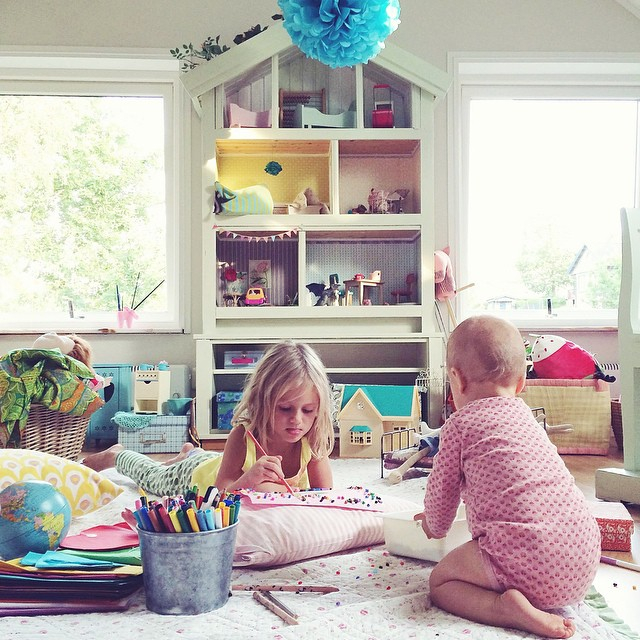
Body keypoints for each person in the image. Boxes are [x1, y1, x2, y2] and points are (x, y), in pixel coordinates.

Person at [413, 315, 600, 639]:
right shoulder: (526, 418)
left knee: (440, 581)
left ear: (457, 379)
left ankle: (505, 608)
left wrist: (432, 524)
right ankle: (534, 597)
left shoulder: (459, 425)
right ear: (521, 382)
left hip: (528, 567)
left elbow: (442, 497)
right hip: (583, 561)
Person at [83, 340, 335, 495]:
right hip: (195, 478)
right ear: (262, 400)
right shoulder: (243, 436)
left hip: (216, 462)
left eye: (308, 410)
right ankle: (117, 455)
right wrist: (249, 480)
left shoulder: (313, 442)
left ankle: (188, 453)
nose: (297, 420)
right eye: (285, 409)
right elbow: (220, 492)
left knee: (216, 461)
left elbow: (325, 496)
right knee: (152, 477)